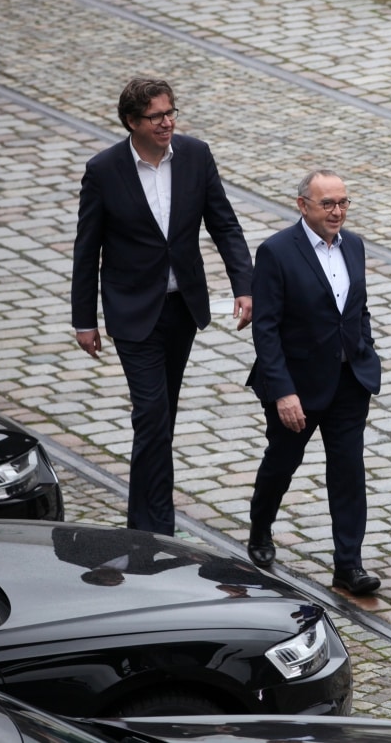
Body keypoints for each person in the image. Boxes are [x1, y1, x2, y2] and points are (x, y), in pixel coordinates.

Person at [71, 76, 252, 536]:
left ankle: (142, 523)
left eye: (170, 112)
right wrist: (84, 320)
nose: (167, 122)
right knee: (151, 415)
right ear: (132, 122)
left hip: (182, 308)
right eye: (156, 116)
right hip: (133, 312)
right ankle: (158, 530)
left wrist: (245, 286)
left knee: (160, 419)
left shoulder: (196, 155)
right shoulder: (104, 170)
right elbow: (86, 249)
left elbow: (224, 224)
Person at [246, 170, 383, 596]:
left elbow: (357, 308)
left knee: (348, 471)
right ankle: (260, 527)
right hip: (298, 386)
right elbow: (266, 329)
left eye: (343, 202)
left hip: (348, 382)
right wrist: (283, 391)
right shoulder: (276, 252)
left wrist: (364, 349)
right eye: (327, 204)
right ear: (303, 205)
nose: (337, 211)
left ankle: (349, 565)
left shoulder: (353, 245)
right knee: (282, 463)